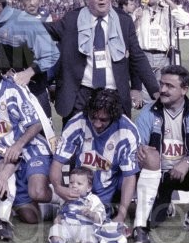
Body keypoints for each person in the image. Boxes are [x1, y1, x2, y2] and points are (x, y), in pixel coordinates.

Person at [0, 53, 53, 239]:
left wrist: (18, 145)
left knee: (37, 191)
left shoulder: (12, 90)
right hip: (8, 157)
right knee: (31, 217)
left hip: (31, 149)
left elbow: (36, 123)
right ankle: (52, 209)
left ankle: (67, 196)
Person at [46, 0, 158, 121]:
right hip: (80, 95)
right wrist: (18, 24)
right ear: (87, 0)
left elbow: (137, 57)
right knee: (78, 141)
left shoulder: (124, 21)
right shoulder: (72, 19)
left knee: (114, 141)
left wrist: (154, 90)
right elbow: (46, 31)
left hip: (114, 94)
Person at [134, 65, 189, 240]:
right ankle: (165, 203)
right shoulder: (148, 113)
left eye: (170, 86)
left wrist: (186, 162)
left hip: (184, 173)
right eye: (162, 84)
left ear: (184, 90)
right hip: (157, 177)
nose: (162, 90)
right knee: (149, 222)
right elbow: (138, 144)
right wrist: (142, 152)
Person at [49, 89, 140, 232]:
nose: (97, 124)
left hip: (113, 184)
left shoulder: (127, 131)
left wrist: (122, 214)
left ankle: (125, 206)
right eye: (93, 117)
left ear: (114, 116)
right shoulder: (77, 122)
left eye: (103, 120)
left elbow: (129, 177)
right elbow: (57, 162)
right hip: (82, 185)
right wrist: (58, 187)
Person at [133, 0, 189, 93]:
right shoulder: (139, 11)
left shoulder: (168, 9)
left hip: (164, 57)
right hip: (144, 56)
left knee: (164, 90)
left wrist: (169, 2)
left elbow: (185, 20)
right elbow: (132, 34)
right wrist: (137, 19)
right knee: (145, 91)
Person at [48, 167, 107, 243]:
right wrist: (58, 218)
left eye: (79, 184)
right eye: (71, 182)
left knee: (90, 233)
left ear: (88, 187)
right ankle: (57, 242)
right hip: (67, 226)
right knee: (56, 228)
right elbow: (62, 211)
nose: (74, 185)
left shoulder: (93, 199)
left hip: (85, 227)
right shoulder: (66, 197)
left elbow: (100, 218)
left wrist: (91, 214)